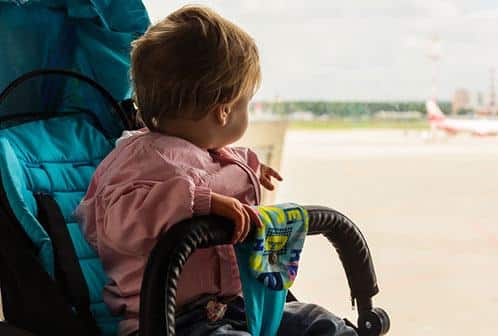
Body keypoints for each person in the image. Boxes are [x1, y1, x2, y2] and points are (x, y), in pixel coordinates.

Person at [76, 5, 356, 336]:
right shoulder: (137, 160)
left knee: (318, 322)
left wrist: (249, 170)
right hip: (166, 322)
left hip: (238, 306)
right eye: (245, 103)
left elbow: (209, 166)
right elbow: (120, 222)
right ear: (223, 111)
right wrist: (198, 202)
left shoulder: (209, 152)